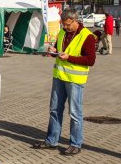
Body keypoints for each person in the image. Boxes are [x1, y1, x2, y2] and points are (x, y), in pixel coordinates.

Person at [33, 9, 96, 155]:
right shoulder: (62, 32)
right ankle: (52, 140)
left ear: (75, 21)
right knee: (54, 109)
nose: (65, 27)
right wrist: (53, 50)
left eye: (68, 25)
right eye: (64, 25)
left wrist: (70, 58)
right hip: (59, 77)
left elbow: (90, 60)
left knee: (75, 112)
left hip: (75, 80)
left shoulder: (87, 37)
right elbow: (59, 48)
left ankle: (75, 143)